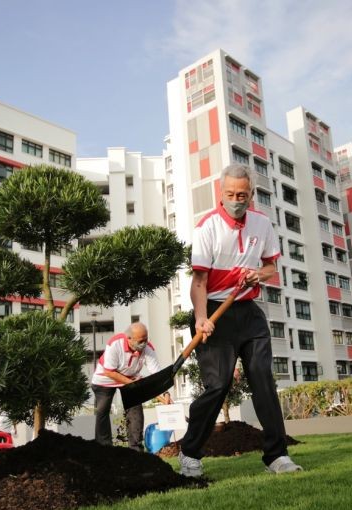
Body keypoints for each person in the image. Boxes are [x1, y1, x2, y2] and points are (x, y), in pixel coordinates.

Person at [179, 164, 302, 477]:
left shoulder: (262, 224)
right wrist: (201, 318)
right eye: (231, 194)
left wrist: (257, 274)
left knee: (262, 378)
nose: (236, 200)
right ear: (221, 193)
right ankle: (190, 453)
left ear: (251, 195)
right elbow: (199, 282)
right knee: (217, 386)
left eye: (242, 195)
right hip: (216, 313)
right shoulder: (207, 227)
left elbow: (271, 268)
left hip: (249, 313)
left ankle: (277, 456)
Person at [91, 322, 169, 451]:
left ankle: (135, 448)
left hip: (131, 378)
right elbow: (109, 371)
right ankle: (103, 448)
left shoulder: (147, 348)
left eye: (146, 339)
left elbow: (157, 374)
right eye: (140, 341)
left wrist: (165, 392)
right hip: (105, 379)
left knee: (135, 410)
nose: (144, 343)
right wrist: (134, 384)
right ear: (129, 339)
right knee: (102, 410)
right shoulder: (114, 344)